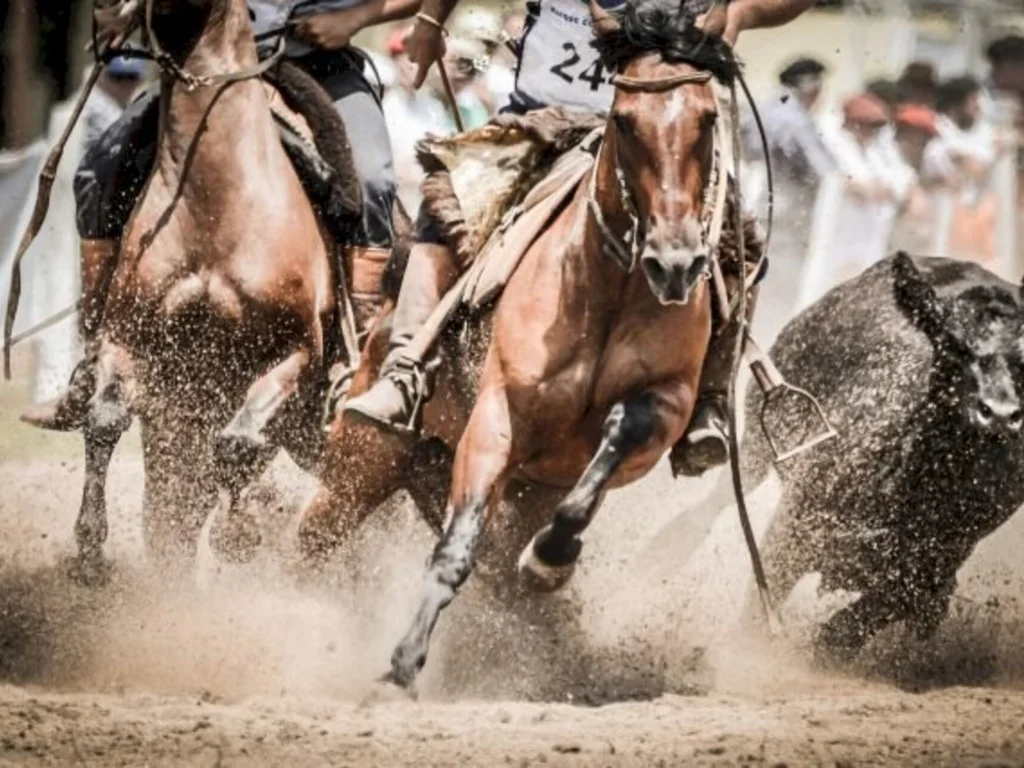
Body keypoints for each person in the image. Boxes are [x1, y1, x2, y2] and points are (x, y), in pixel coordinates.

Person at [345, 0, 819, 476]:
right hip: (539, 120)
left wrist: (740, 14)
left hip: (656, 139)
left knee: (741, 245)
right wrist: (430, 20)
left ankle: (709, 400)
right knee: (447, 196)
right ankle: (403, 369)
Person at [23, 0, 423, 430]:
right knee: (96, 172)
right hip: (210, 66)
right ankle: (94, 356)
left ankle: (357, 356)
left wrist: (353, 19)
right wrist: (127, 11)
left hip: (320, 65)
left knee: (374, 178)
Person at [741, 56, 833, 342]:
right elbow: (822, 170)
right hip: (785, 217)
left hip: (756, 208)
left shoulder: (762, 108)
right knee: (776, 295)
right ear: (811, 88)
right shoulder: (794, 117)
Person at [83, 56, 147, 150]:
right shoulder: (97, 106)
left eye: (131, 77)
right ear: (104, 78)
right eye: (118, 77)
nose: (124, 84)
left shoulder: (131, 103)